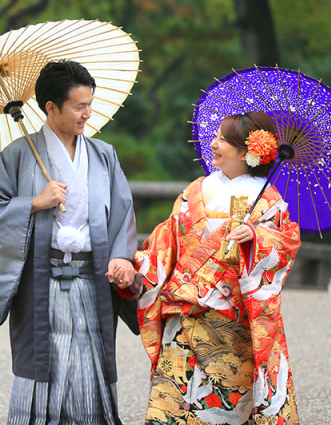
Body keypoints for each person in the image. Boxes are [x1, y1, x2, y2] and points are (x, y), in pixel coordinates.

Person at [0, 59, 138, 425]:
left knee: (93, 363)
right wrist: (35, 202)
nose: (87, 114)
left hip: (93, 279)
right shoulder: (19, 155)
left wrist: (122, 259)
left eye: (89, 104)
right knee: (42, 367)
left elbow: (122, 214)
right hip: (42, 281)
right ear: (51, 107)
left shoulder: (103, 155)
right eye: (79, 107)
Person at [113, 111, 300, 425]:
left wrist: (256, 237)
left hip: (232, 321)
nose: (213, 144)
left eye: (222, 140)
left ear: (247, 152)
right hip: (183, 312)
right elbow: (165, 243)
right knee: (171, 403)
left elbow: (286, 244)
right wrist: (133, 270)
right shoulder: (194, 192)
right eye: (215, 137)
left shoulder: (267, 199)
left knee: (226, 403)